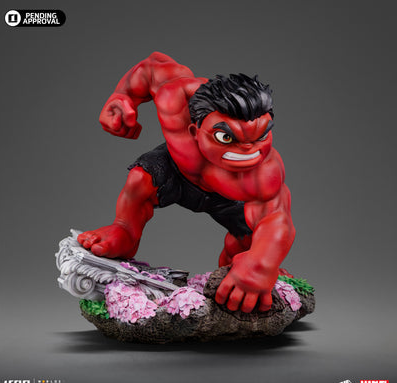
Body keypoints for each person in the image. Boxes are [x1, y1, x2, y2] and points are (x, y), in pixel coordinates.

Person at [78, 52, 295, 313]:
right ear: (194, 130)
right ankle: (125, 230)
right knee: (139, 179)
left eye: (261, 136)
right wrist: (122, 97)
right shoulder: (176, 98)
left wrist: (261, 263)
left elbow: (277, 219)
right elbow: (151, 68)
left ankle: (241, 271)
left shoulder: (264, 171)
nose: (248, 150)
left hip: (230, 198)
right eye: (227, 138)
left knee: (246, 244)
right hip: (177, 172)